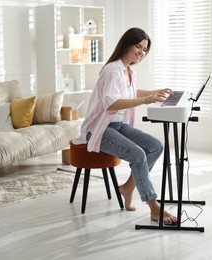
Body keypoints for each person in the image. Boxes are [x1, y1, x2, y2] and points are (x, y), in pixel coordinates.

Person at [73, 27, 177, 225]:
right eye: (138, 46)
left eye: (145, 49)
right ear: (126, 45)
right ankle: (154, 207)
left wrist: (154, 92)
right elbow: (111, 103)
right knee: (138, 154)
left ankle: (128, 187)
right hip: (99, 130)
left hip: (117, 125)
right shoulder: (112, 70)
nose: (141, 52)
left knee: (156, 146)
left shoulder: (129, 70)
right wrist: (146, 100)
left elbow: (129, 92)